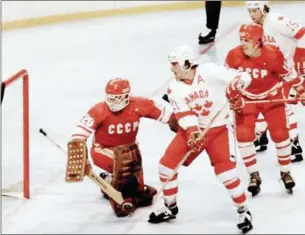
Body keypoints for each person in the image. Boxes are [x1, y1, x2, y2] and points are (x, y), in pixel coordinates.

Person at [148, 45, 253, 234]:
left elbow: (243, 77)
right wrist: (194, 133)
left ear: (187, 63)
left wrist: (236, 87)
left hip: (219, 128)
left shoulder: (209, 71)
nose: (171, 69)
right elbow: (184, 114)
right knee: (166, 166)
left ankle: (243, 211)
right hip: (192, 130)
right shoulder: (174, 87)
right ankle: (170, 207)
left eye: (174, 64)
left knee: (226, 174)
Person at [225, 23, 305, 197]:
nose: (243, 44)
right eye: (241, 40)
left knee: (280, 135)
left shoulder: (273, 54)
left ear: (258, 41)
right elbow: (226, 82)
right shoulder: (233, 56)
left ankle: (285, 172)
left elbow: (290, 76)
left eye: (247, 40)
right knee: (244, 137)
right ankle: (254, 175)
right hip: (247, 99)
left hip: (271, 98)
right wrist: (233, 97)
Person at [68, 78, 179, 217]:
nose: (113, 102)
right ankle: (119, 193)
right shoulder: (99, 110)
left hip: (129, 149)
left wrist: (177, 121)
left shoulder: (138, 104)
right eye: (111, 98)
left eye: (117, 98)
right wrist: (78, 150)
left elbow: (162, 113)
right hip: (102, 150)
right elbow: (79, 132)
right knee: (124, 162)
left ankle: (121, 186)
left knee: (134, 162)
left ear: (127, 96)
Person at [245, 1, 305, 162]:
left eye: (255, 10)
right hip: (270, 72)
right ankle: (261, 136)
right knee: (258, 101)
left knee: (281, 107)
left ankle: (294, 143)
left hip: (287, 71)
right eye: (249, 11)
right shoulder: (254, 27)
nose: (252, 14)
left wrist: (300, 59)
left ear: (263, 9)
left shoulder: (276, 21)